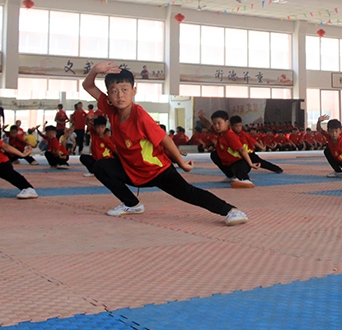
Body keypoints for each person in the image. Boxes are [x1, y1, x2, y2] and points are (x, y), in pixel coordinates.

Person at [82, 62, 247, 225]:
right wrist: (96, 70)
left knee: (188, 193)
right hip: (131, 170)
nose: (120, 96)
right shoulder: (111, 109)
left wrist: (181, 163)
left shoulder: (140, 117)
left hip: (157, 170)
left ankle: (231, 211)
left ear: (134, 91)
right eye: (114, 91)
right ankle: (132, 204)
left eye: (125, 90)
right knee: (100, 167)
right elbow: (88, 85)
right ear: (109, 96)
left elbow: (165, 140)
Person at [198, 109, 261, 188]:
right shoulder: (220, 131)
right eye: (215, 124)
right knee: (214, 154)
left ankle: (246, 180)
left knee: (238, 170)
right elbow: (208, 125)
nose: (216, 126)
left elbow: (241, 149)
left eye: (219, 123)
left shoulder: (229, 135)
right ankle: (231, 176)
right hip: (229, 162)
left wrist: (250, 164)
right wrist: (201, 117)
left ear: (227, 122)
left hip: (240, 162)